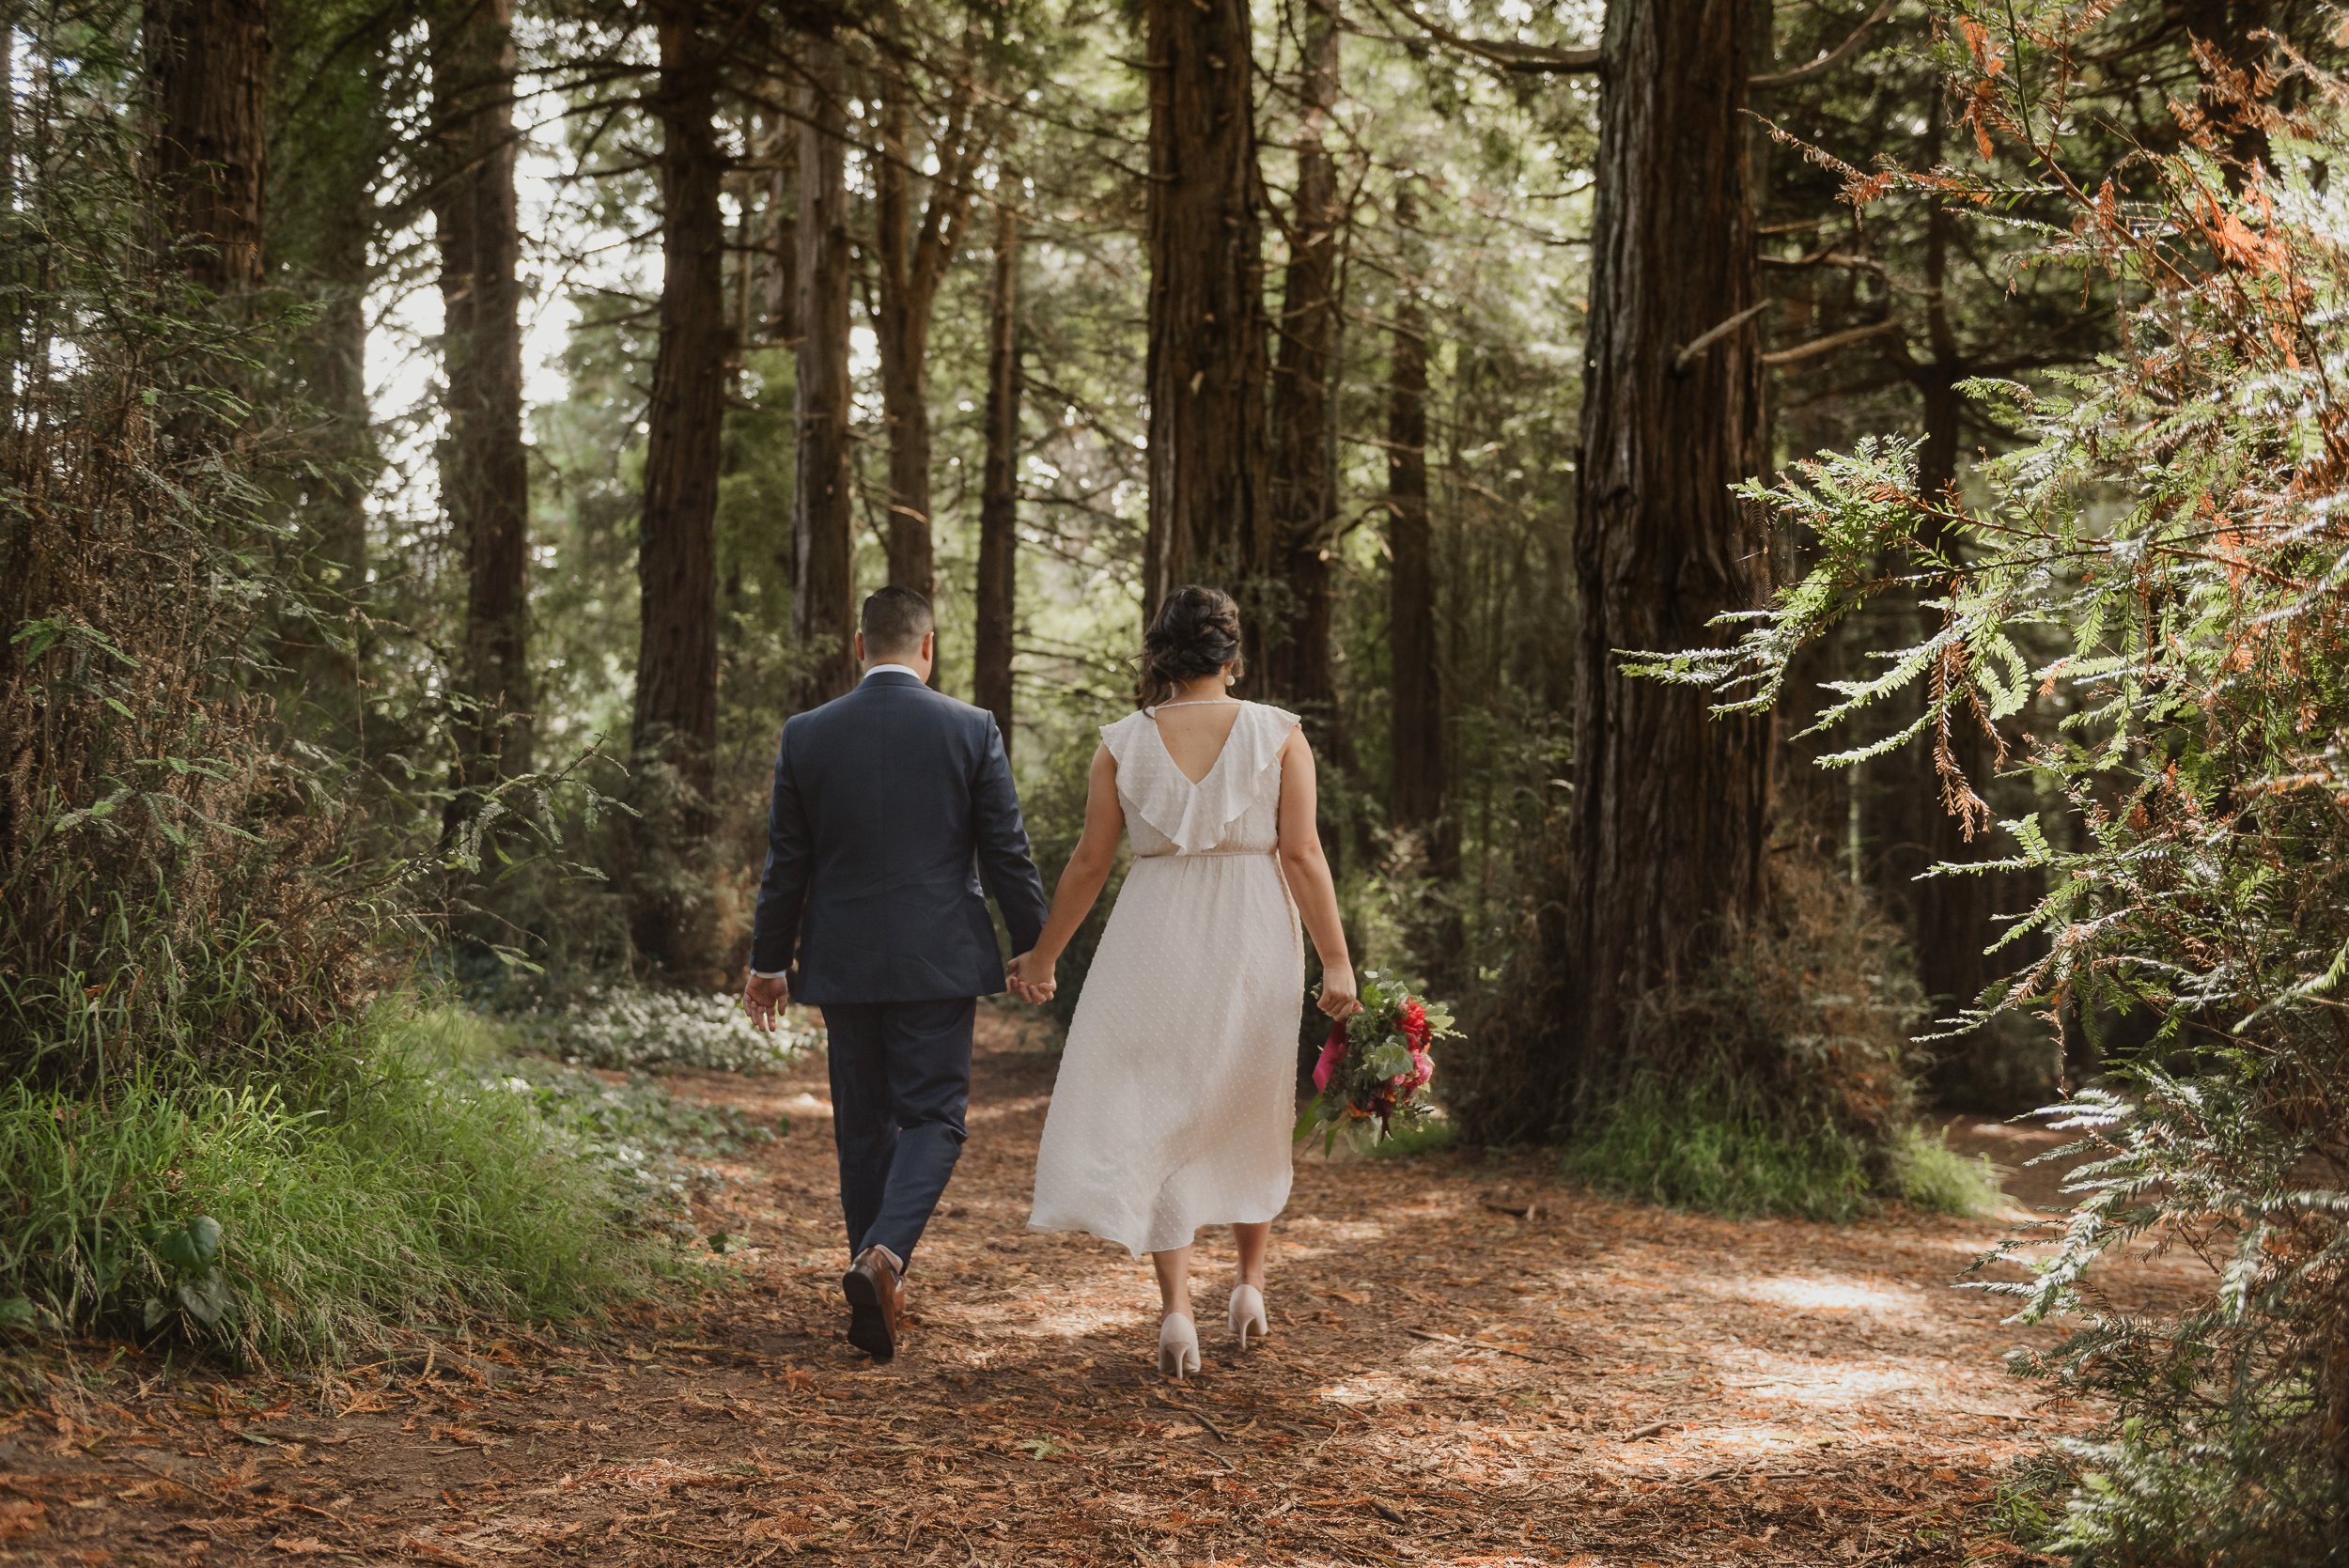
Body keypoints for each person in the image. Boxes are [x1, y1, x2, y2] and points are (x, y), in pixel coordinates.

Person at [1010, 585, 1361, 1377]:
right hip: (1253, 934)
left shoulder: (1121, 743)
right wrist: (1336, 960)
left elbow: (1091, 862)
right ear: (1232, 660)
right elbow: (1303, 855)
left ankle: (1175, 1313)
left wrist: (1042, 956)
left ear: (1159, 660)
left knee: (1163, 1105)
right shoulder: (1278, 734)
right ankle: (1248, 1287)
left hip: (1153, 935)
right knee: (1248, 1098)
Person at [742, 586, 1050, 1363]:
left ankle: (872, 1272)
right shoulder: (970, 728)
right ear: (928, 647)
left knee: (862, 1127)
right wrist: (1036, 946)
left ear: (857, 646)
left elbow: (788, 862)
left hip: (843, 959)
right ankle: (882, 1260)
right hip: (937, 956)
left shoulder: (807, 734)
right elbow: (1006, 850)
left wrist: (768, 961)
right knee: (935, 1117)